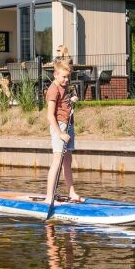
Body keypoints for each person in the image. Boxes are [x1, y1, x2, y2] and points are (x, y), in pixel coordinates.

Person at [43, 61, 82, 209]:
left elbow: (63, 106)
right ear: (56, 75)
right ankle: (49, 197)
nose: (66, 80)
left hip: (68, 125)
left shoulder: (63, 87)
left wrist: (71, 101)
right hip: (60, 127)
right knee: (57, 161)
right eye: (64, 77)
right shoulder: (53, 90)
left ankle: (72, 193)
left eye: (68, 77)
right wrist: (60, 134)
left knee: (67, 161)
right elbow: (50, 115)